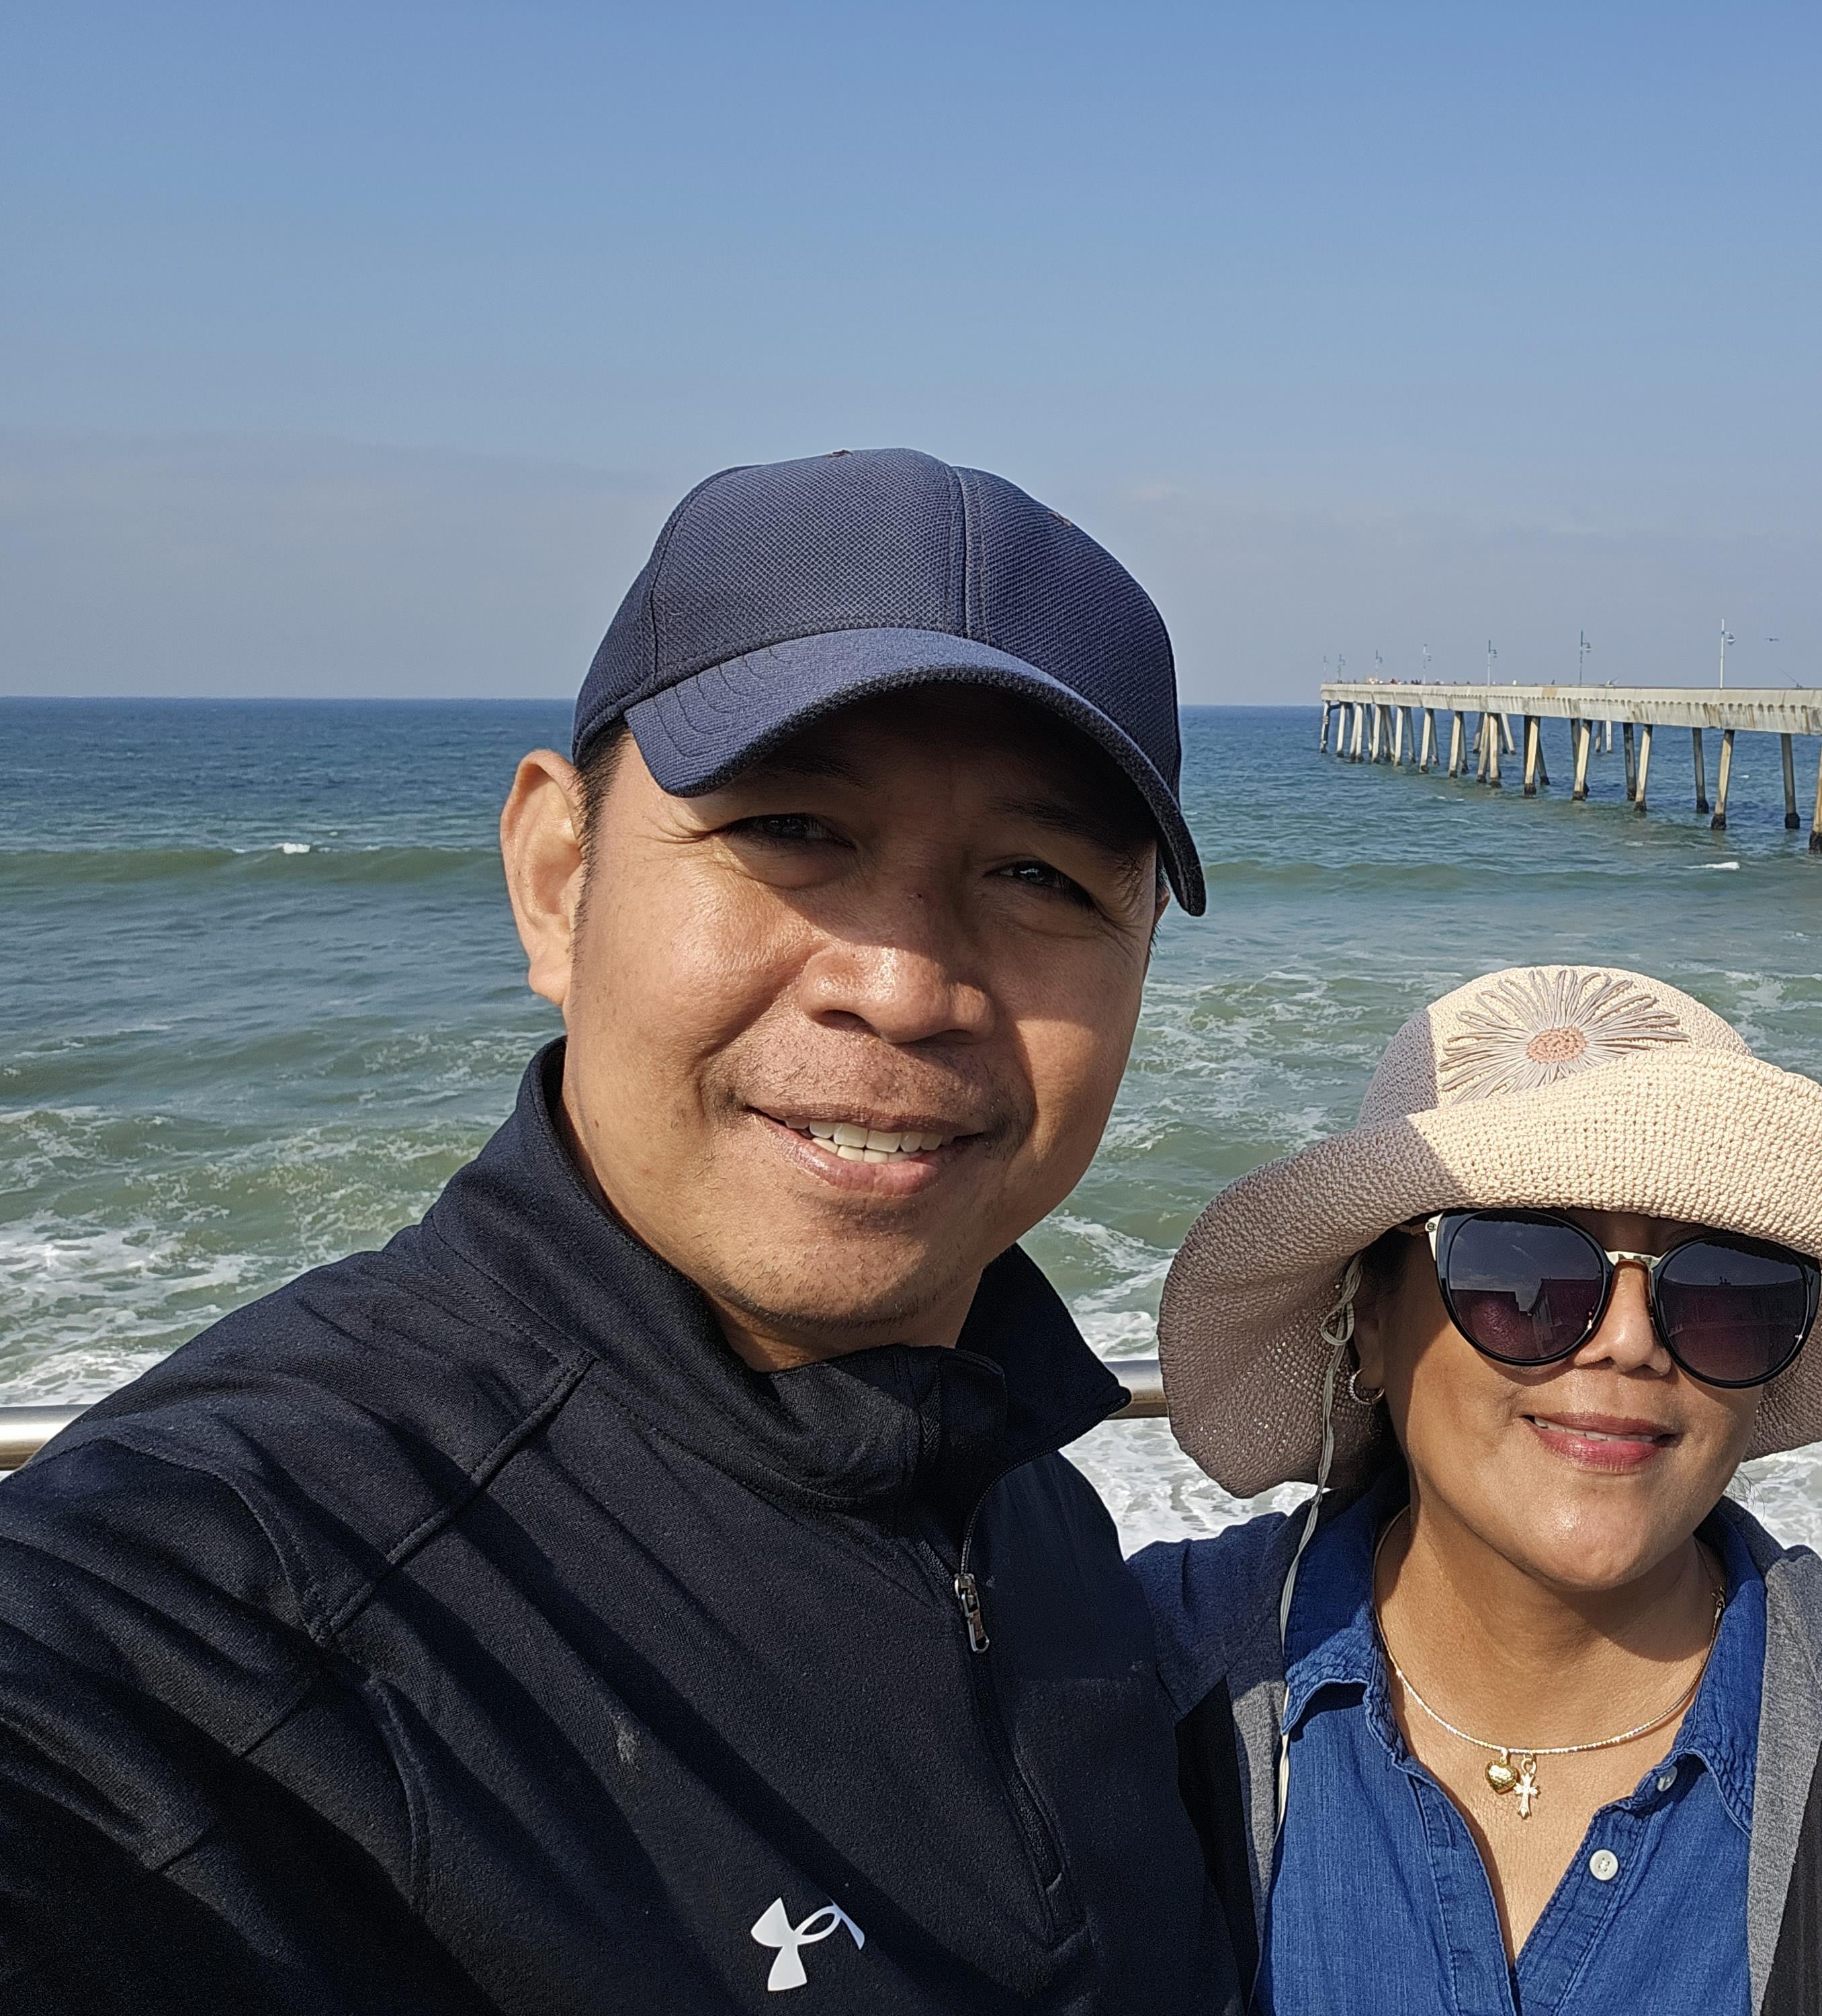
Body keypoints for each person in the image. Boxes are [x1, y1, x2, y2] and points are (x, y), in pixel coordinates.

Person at [0, 450, 1242, 2014]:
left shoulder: (1037, 1511)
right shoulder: (244, 1594)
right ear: (554, 880)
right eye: (791, 828)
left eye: (1035, 875)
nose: (906, 984)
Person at [1131, 966, 1822, 2015]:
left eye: (1725, 1291)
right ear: (1370, 1326)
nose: (1630, 1341)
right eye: (1522, 1271)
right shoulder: (1127, 1684)